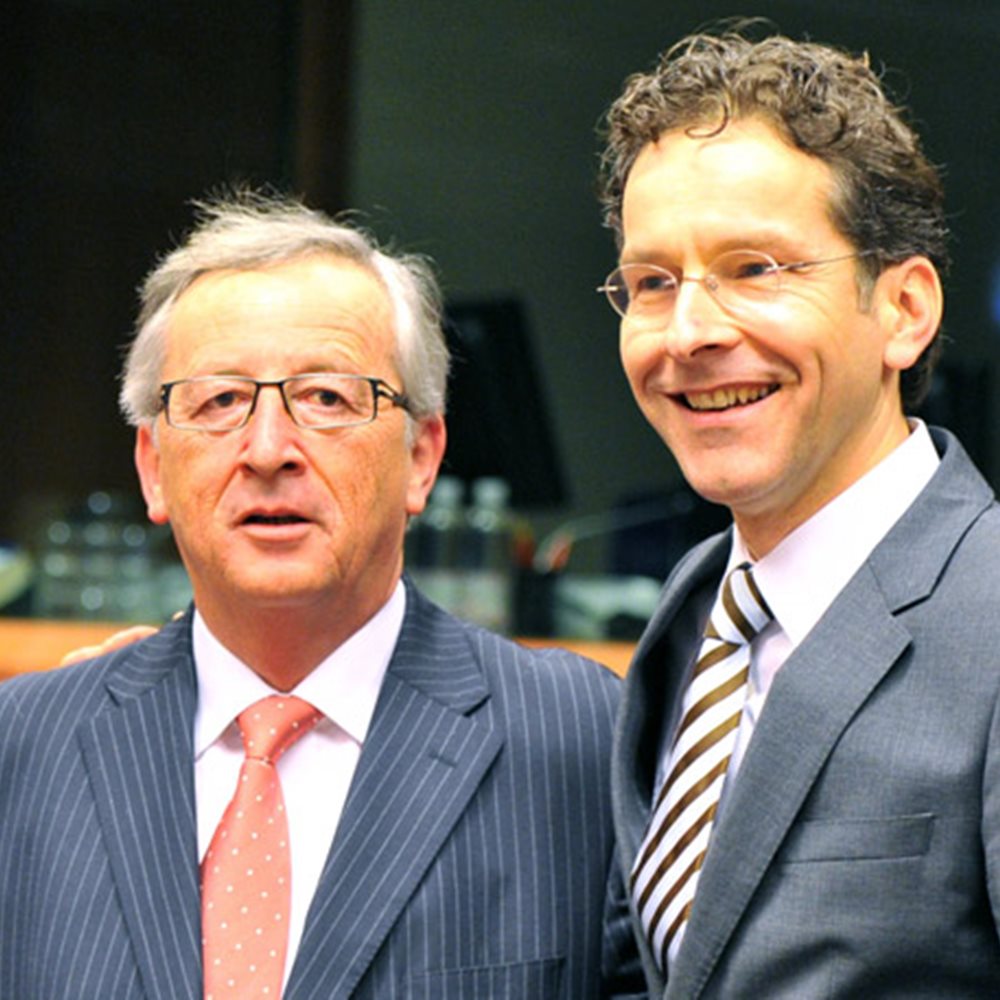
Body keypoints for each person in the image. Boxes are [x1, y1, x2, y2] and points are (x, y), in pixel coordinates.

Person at [0, 192, 642, 999]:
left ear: (421, 457)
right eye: (220, 401)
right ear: (153, 467)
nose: (268, 449)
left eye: (327, 398)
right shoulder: (24, 749)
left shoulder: (580, 740)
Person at [596, 27, 1000, 998]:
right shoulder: (699, 608)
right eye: (653, 283)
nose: (689, 332)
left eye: (756, 269)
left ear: (904, 310)